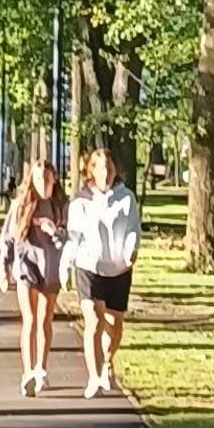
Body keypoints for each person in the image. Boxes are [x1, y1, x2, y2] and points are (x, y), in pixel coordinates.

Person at [63, 140, 141, 399]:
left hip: (118, 268)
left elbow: (133, 229)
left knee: (114, 323)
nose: (105, 172)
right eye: (100, 168)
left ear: (115, 170)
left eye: (109, 167)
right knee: (93, 321)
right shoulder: (81, 201)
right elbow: (73, 236)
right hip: (88, 266)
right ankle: (94, 377)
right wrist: (66, 263)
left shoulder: (126, 198)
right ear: (91, 171)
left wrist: (131, 250)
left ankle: (107, 362)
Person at [0, 152, 67, 394]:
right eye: (38, 180)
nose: (43, 185)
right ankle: (27, 372)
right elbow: (7, 237)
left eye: (47, 180)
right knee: (29, 319)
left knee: (45, 319)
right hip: (26, 266)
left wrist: (55, 232)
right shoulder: (20, 205)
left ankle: (41, 368)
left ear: (54, 180)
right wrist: (3, 268)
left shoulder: (60, 207)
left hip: (50, 268)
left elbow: (69, 241)